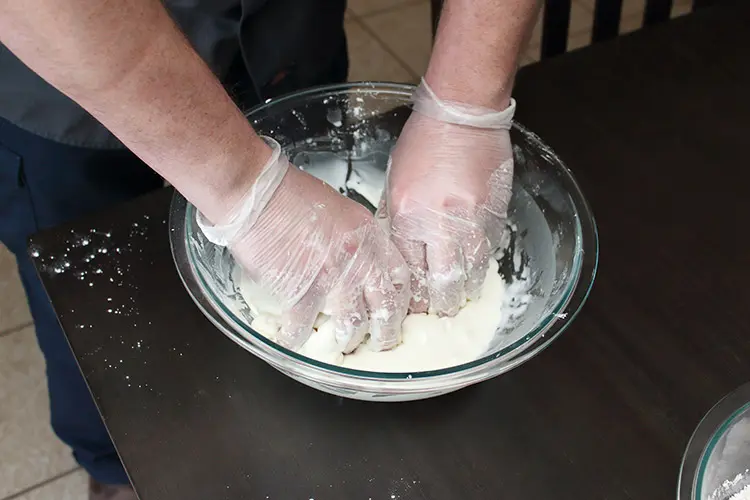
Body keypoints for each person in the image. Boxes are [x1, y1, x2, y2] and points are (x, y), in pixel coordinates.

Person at [0, 0, 539, 498]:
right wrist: (247, 195)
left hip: (285, 31)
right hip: (69, 77)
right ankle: (118, 471)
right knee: (102, 331)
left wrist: (465, 105)